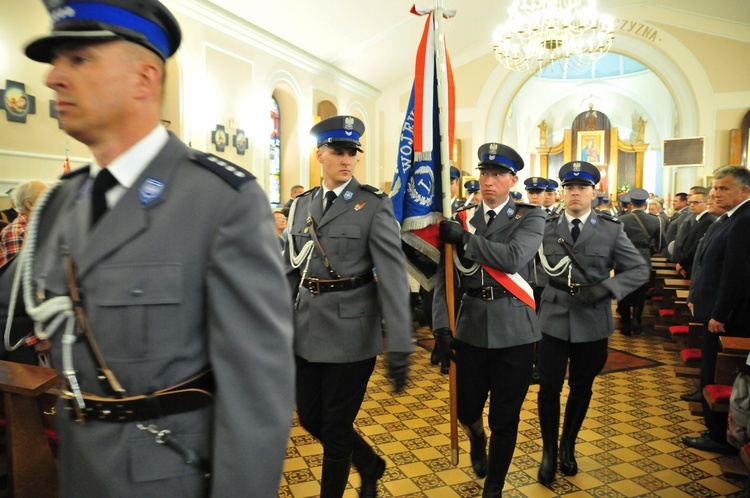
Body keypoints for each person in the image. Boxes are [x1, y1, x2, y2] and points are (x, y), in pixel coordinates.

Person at [5, 1, 296, 495]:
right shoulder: (59, 204)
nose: (53, 77)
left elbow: (257, 390)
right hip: (79, 470)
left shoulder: (218, 199)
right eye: (57, 60)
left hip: (166, 474)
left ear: (143, 78)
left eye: (79, 59)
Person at [284, 115, 412, 498]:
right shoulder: (301, 205)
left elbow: (392, 277)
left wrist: (401, 345)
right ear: (319, 154)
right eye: (338, 151)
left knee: (336, 427)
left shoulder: (373, 205)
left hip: (351, 332)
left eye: (352, 153)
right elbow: (291, 271)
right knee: (310, 417)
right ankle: (370, 462)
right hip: (305, 329)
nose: (346, 159)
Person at [433, 142, 545, 497]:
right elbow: (444, 278)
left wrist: (465, 239)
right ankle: (475, 437)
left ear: (512, 180)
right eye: (484, 173)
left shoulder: (530, 217)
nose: (488, 181)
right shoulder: (463, 217)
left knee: (505, 417)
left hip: (514, 329)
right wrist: (440, 326)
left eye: (497, 174)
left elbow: (512, 259)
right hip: (470, 327)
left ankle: (494, 485)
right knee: (466, 409)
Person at [536, 161, 648, 487]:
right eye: (569, 187)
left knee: (582, 387)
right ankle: (547, 451)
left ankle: (568, 444)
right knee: (548, 388)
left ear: (594, 192)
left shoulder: (612, 229)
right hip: (552, 320)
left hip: (593, 322)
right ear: (562, 191)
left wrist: (606, 289)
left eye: (582, 187)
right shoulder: (544, 227)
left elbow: (638, 271)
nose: (575, 192)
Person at [683, 166, 750, 455]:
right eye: (715, 188)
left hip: (727, 317)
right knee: (710, 366)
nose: (716, 193)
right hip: (716, 309)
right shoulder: (732, 219)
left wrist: (720, 314)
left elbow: (736, 275)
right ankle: (715, 430)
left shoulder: (744, 221)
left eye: (723, 188)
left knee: (717, 370)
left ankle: (718, 435)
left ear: (744, 191)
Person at [616, 188, 663, 335]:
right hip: (643, 258)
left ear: (630, 203)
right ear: (645, 204)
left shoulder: (620, 220)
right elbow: (661, 244)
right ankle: (636, 320)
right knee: (639, 292)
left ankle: (625, 323)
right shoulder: (655, 220)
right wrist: (648, 251)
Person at [0, 180, 48, 269]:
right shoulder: (16, 232)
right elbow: (18, 276)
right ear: (30, 204)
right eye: (47, 199)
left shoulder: (39, 227)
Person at [675, 188, 714, 279]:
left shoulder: (707, 220)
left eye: (696, 202)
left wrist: (683, 263)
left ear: (706, 203)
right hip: (689, 264)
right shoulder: (699, 219)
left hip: (693, 265)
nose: (692, 205)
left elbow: (697, 245)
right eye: (691, 203)